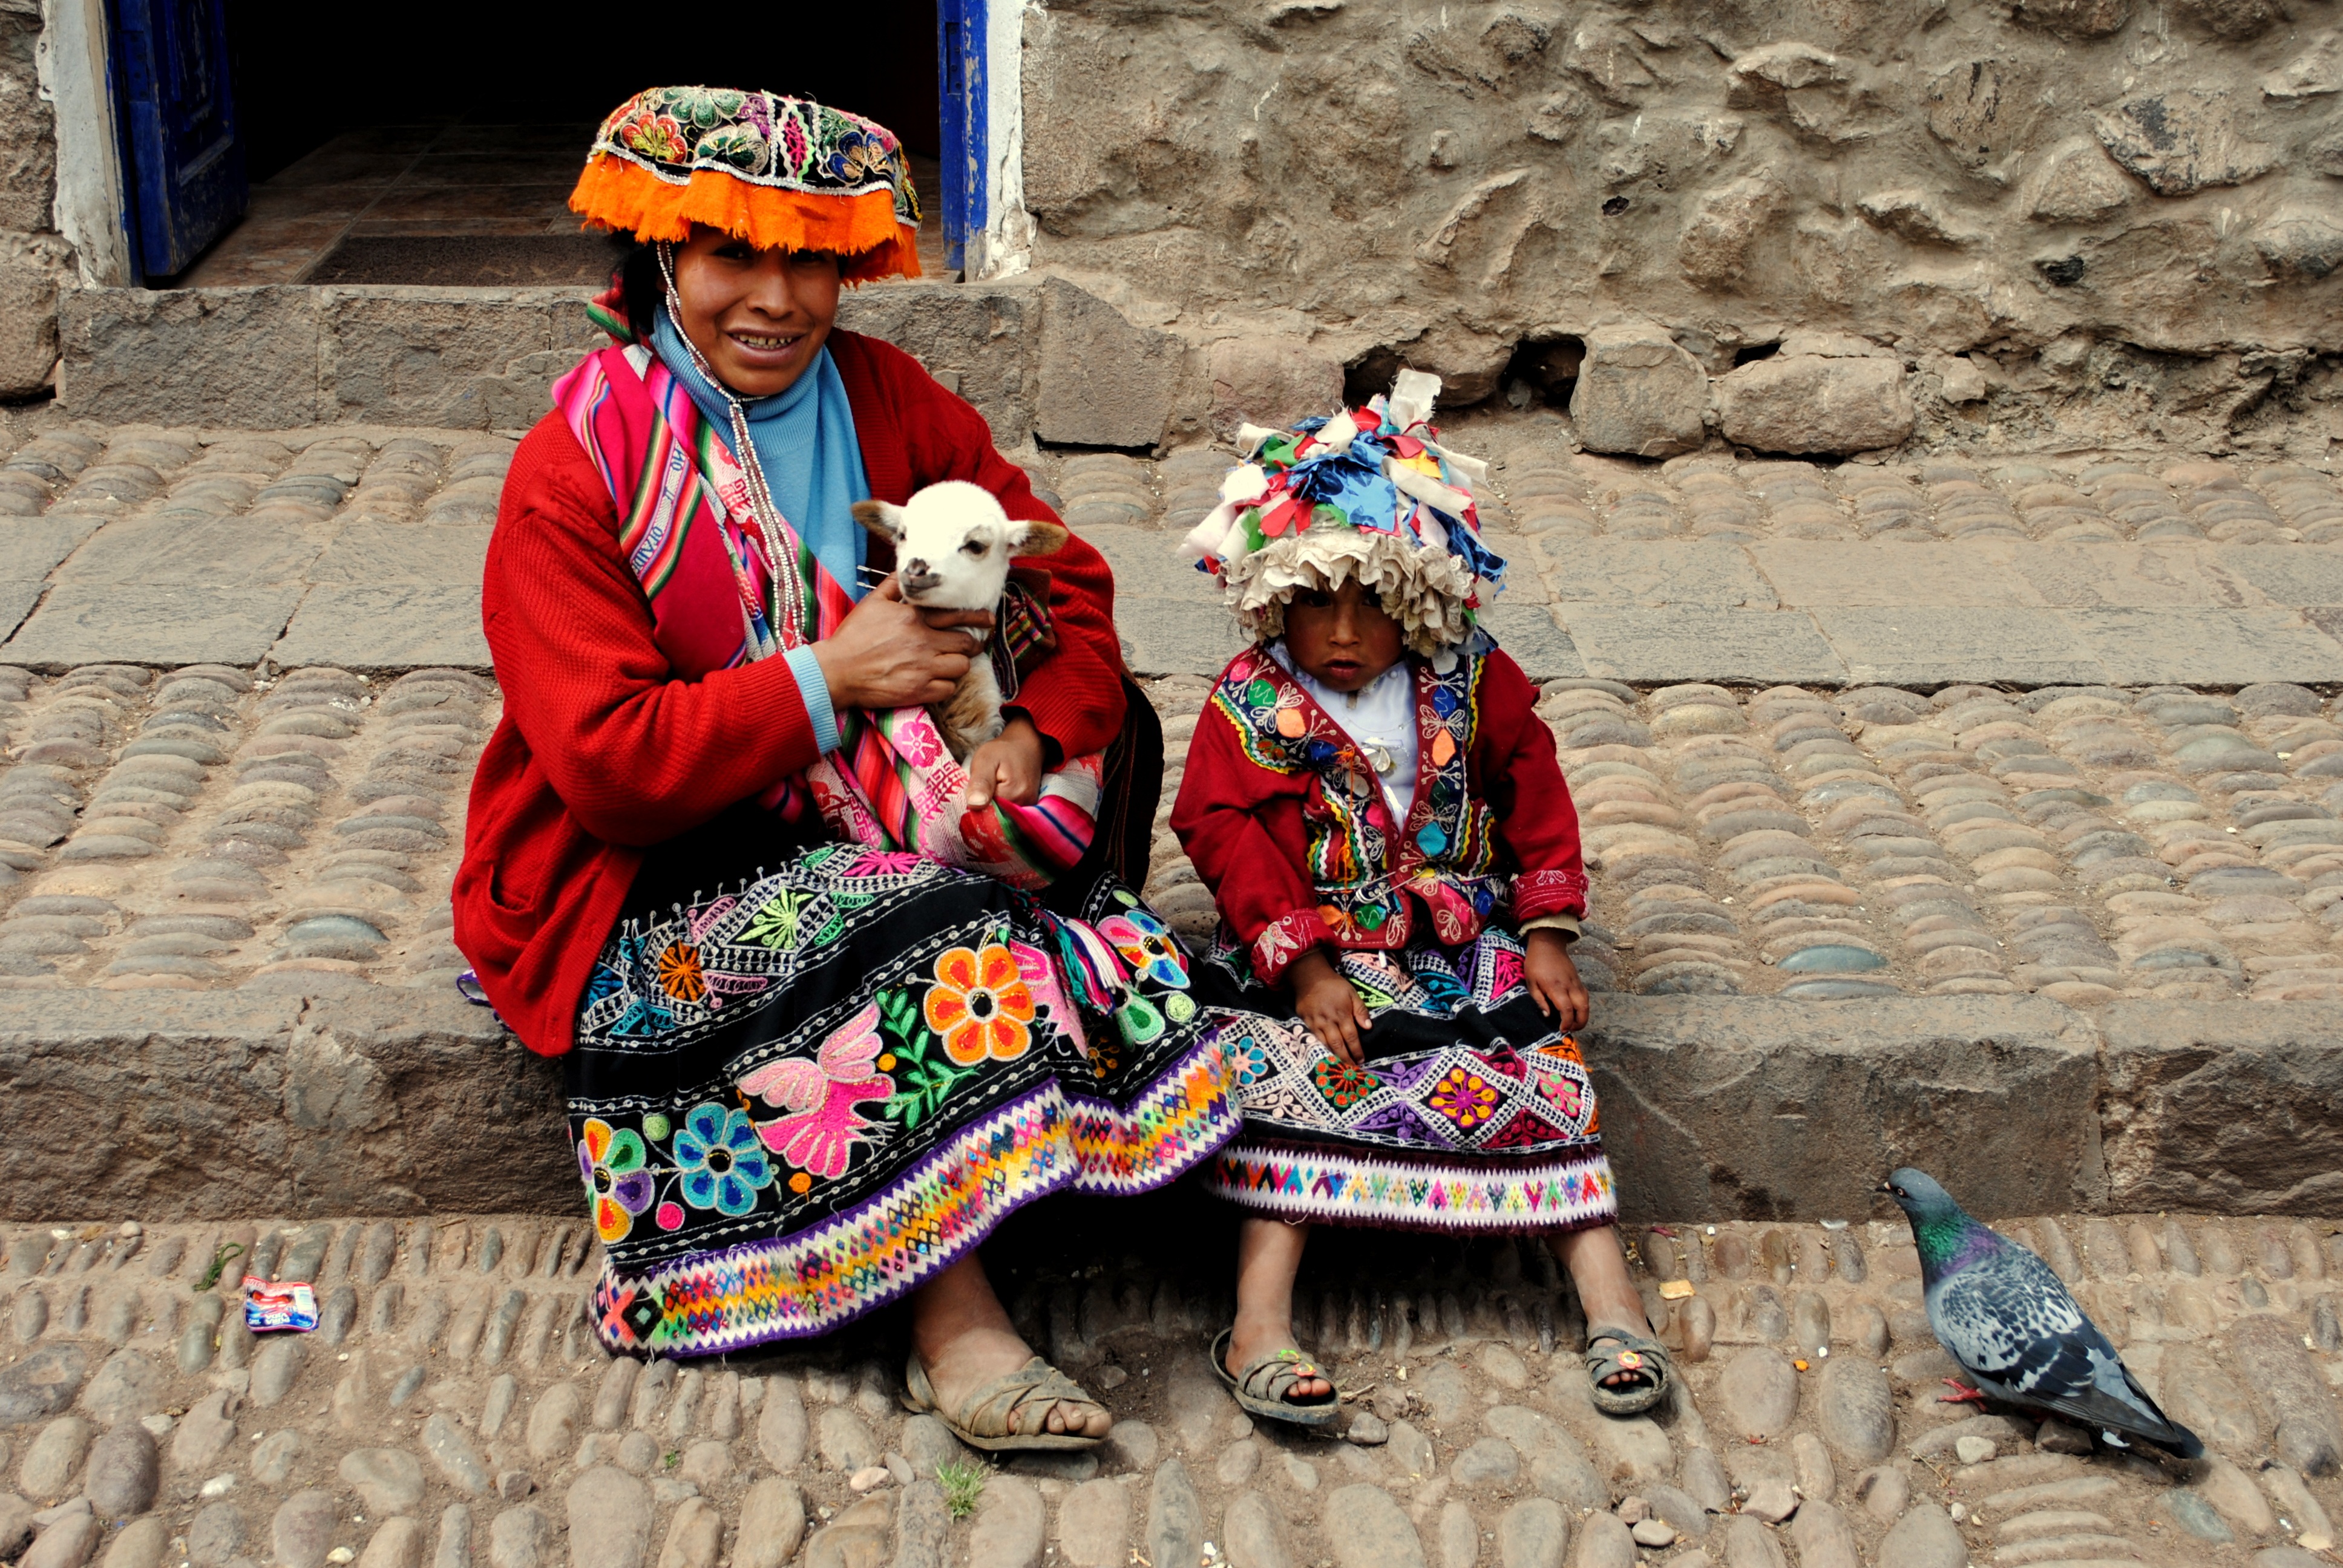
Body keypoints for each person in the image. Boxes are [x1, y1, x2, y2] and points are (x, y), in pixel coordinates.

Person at [453, 87, 1240, 1450]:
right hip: (651, 868)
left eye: (811, 259)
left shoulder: (885, 399)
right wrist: (835, 680)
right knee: (935, 943)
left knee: (1065, 873)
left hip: (893, 811)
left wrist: (1025, 740)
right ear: (660, 261)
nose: (776, 299)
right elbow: (606, 767)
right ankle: (957, 1318)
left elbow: (1064, 586)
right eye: (733, 259)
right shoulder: (575, 470)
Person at [1167, 376, 1671, 1424]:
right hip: (1317, 958)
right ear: (1274, 597)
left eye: (1373, 604)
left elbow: (1533, 789)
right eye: (1316, 602)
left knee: (1542, 1066)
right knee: (1294, 1079)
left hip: (1457, 945)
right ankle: (1260, 1318)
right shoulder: (1250, 702)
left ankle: (1609, 1298)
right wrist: (1304, 967)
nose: (1343, 631)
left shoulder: (1477, 681)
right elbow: (1220, 827)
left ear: (1421, 599)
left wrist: (1543, 936)